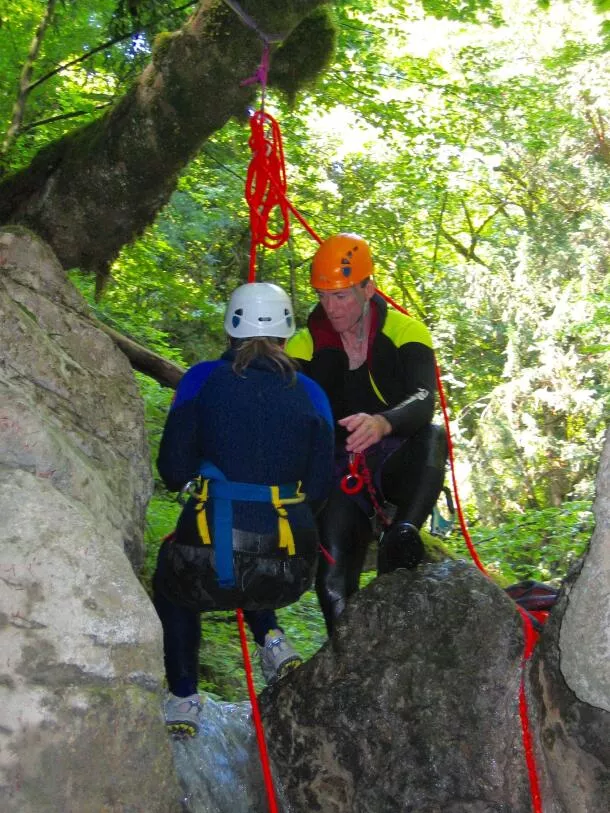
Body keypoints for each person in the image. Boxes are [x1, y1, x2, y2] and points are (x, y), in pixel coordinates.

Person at [153, 282, 334, 736]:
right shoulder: (312, 393)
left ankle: (183, 696)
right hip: (290, 565)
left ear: (231, 327)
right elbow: (318, 487)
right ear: (287, 332)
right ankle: (270, 636)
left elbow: (172, 470)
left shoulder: (201, 380)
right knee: (251, 555)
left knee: (174, 581)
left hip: (208, 557)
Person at [286, 233, 448, 636]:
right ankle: (349, 657)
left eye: (340, 296)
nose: (330, 307)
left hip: (396, 457)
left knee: (434, 436)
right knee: (332, 582)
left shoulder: (406, 331)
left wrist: (383, 422)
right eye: (323, 296)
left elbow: (423, 397)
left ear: (368, 289)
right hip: (342, 469)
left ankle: (404, 533)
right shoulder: (304, 345)